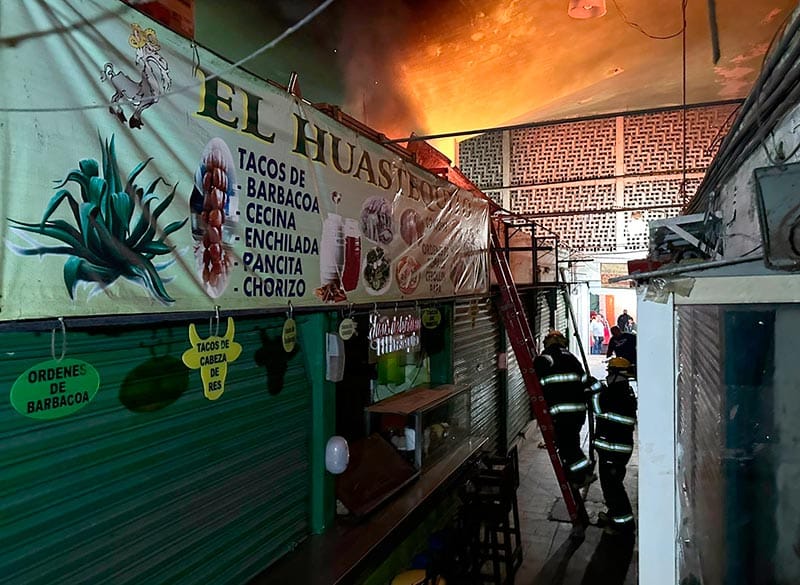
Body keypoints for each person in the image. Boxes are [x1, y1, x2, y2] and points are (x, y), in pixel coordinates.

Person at [533, 330, 601, 489]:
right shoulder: (572, 358)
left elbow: (538, 367)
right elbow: (585, 381)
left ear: (548, 342)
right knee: (571, 443)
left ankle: (583, 474)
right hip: (578, 412)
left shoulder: (548, 356)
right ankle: (576, 476)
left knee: (567, 447)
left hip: (562, 412)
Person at [591, 357, 637, 534]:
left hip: (613, 450)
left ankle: (623, 524)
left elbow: (598, 409)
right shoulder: (624, 391)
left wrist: (595, 392)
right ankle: (614, 514)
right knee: (612, 485)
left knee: (613, 488)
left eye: (610, 372)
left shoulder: (615, 394)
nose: (608, 376)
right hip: (616, 449)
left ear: (618, 375)